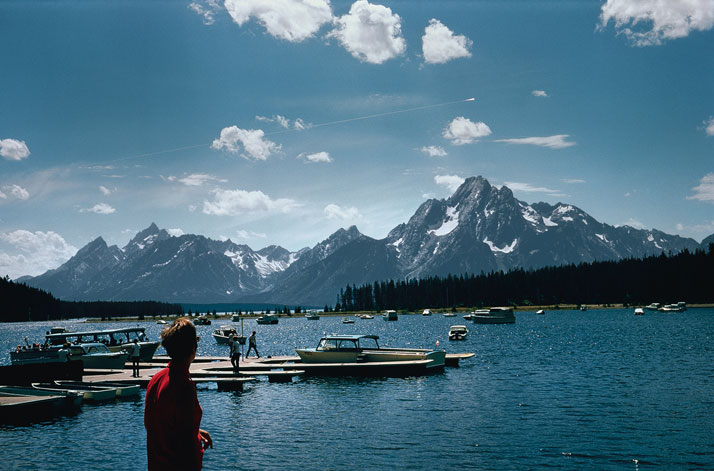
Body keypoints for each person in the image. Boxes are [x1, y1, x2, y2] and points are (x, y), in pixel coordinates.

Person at [145, 318, 212, 470]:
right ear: (193, 347)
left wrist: (197, 431)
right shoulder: (184, 385)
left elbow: (160, 424)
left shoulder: (156, 379)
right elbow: (185, 444)